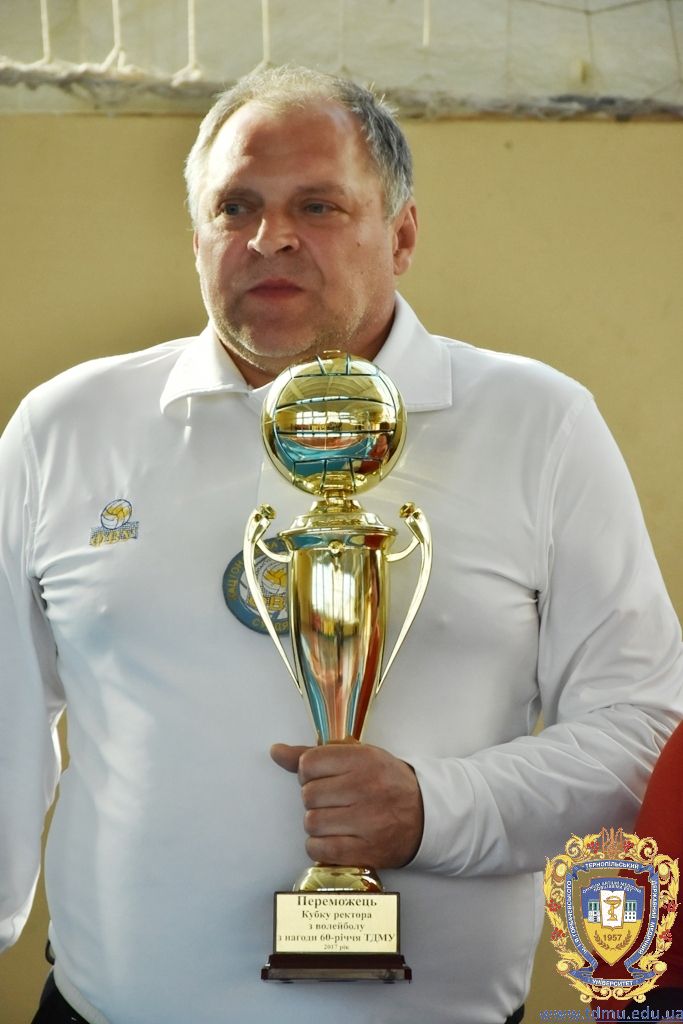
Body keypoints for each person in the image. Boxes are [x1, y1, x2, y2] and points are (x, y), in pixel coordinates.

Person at [0, 65, 681, 1024]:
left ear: (401, 235)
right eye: (235, 207)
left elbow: (641, 727)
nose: (269, 237)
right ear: (196, 238)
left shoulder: (538, 424)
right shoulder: (66, 427)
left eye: (317, 206)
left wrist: (436, 809)